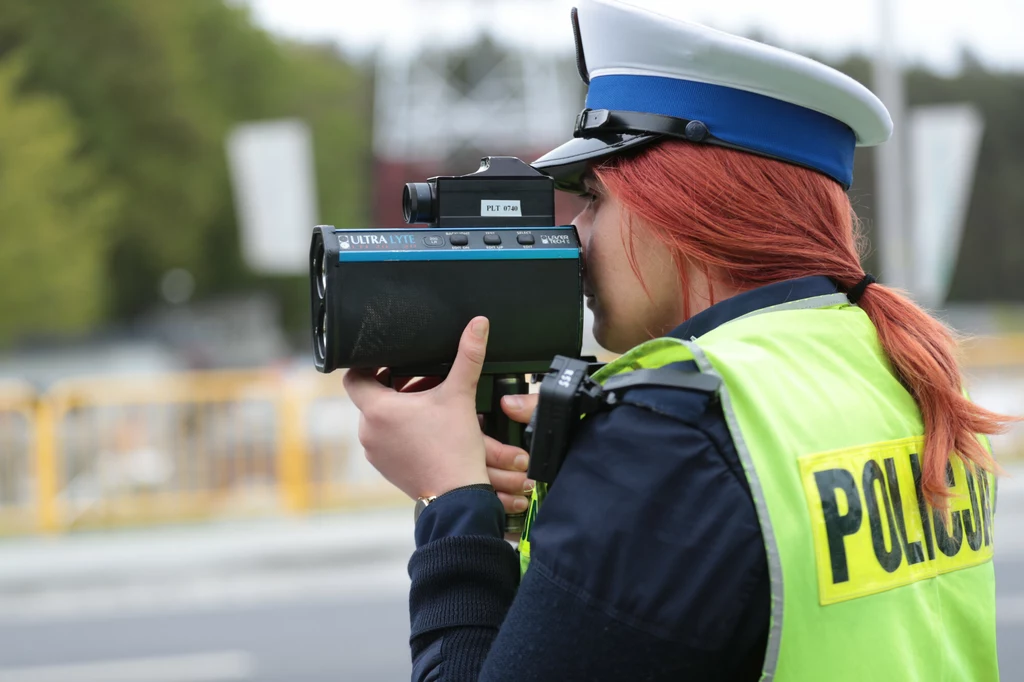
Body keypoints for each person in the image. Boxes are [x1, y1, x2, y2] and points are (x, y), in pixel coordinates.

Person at [343, 1, 1015, 680]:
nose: (577, 236)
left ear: (682, 205)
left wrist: (448, 499)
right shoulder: (907, 372)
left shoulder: (676, 431)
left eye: (594, 200)